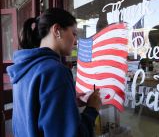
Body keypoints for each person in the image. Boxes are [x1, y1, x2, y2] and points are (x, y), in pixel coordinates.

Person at [7, 8, 101, 137]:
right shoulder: (55, 71)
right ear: (57, 30)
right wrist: (92, 109)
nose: (75, 41)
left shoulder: (25, 67)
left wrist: (69, 101)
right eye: (74, 33)